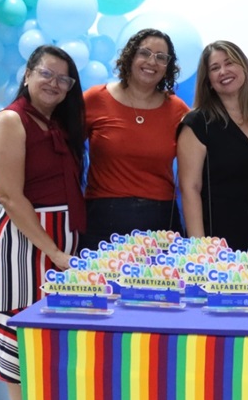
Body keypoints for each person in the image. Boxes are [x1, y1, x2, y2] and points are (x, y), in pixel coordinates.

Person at [0, 45, 86, 400]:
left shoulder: (55, 124)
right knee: (19, 339)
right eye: (46, 74)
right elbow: (9, 196)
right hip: (22, 245)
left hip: (58, 244)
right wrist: (53, 250)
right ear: (28, 75)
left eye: (63, 79)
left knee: (48, 338)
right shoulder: (10, 121)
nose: (54, 84)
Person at [80, 28, 190, 250]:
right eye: (145, 53)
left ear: (168, 67)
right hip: (102, 221)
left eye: (161, 57)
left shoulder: (178, 110)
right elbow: (63, 149)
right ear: (130, 55)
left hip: (160, 225)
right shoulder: (94, 98)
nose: (152, 61)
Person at [177, 41, 248, 250]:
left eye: (229, 63)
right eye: (215, 68)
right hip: (217, 243)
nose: (223, 71)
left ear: (244, 67)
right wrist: (200, 247)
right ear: (208, 81)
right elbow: (190, 188)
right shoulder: (197, 123)